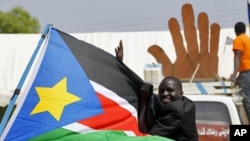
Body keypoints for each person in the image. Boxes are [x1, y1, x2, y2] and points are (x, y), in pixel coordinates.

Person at [115, 40, 198, 141]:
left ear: (181, 93)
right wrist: (120, 65)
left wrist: (143, 101)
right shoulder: (185, 103)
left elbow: (148, 135)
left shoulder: (175, 111)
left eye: (169, 90)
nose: (164, 94)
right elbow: (140, 88)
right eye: (161, 91)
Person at [231, 21, 250, 121]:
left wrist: (234, 75)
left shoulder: (238, 40)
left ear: (236, 31)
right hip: (247, 73)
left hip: (246, 73)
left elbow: (238, 57)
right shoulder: (248, 39)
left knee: (246, 99)